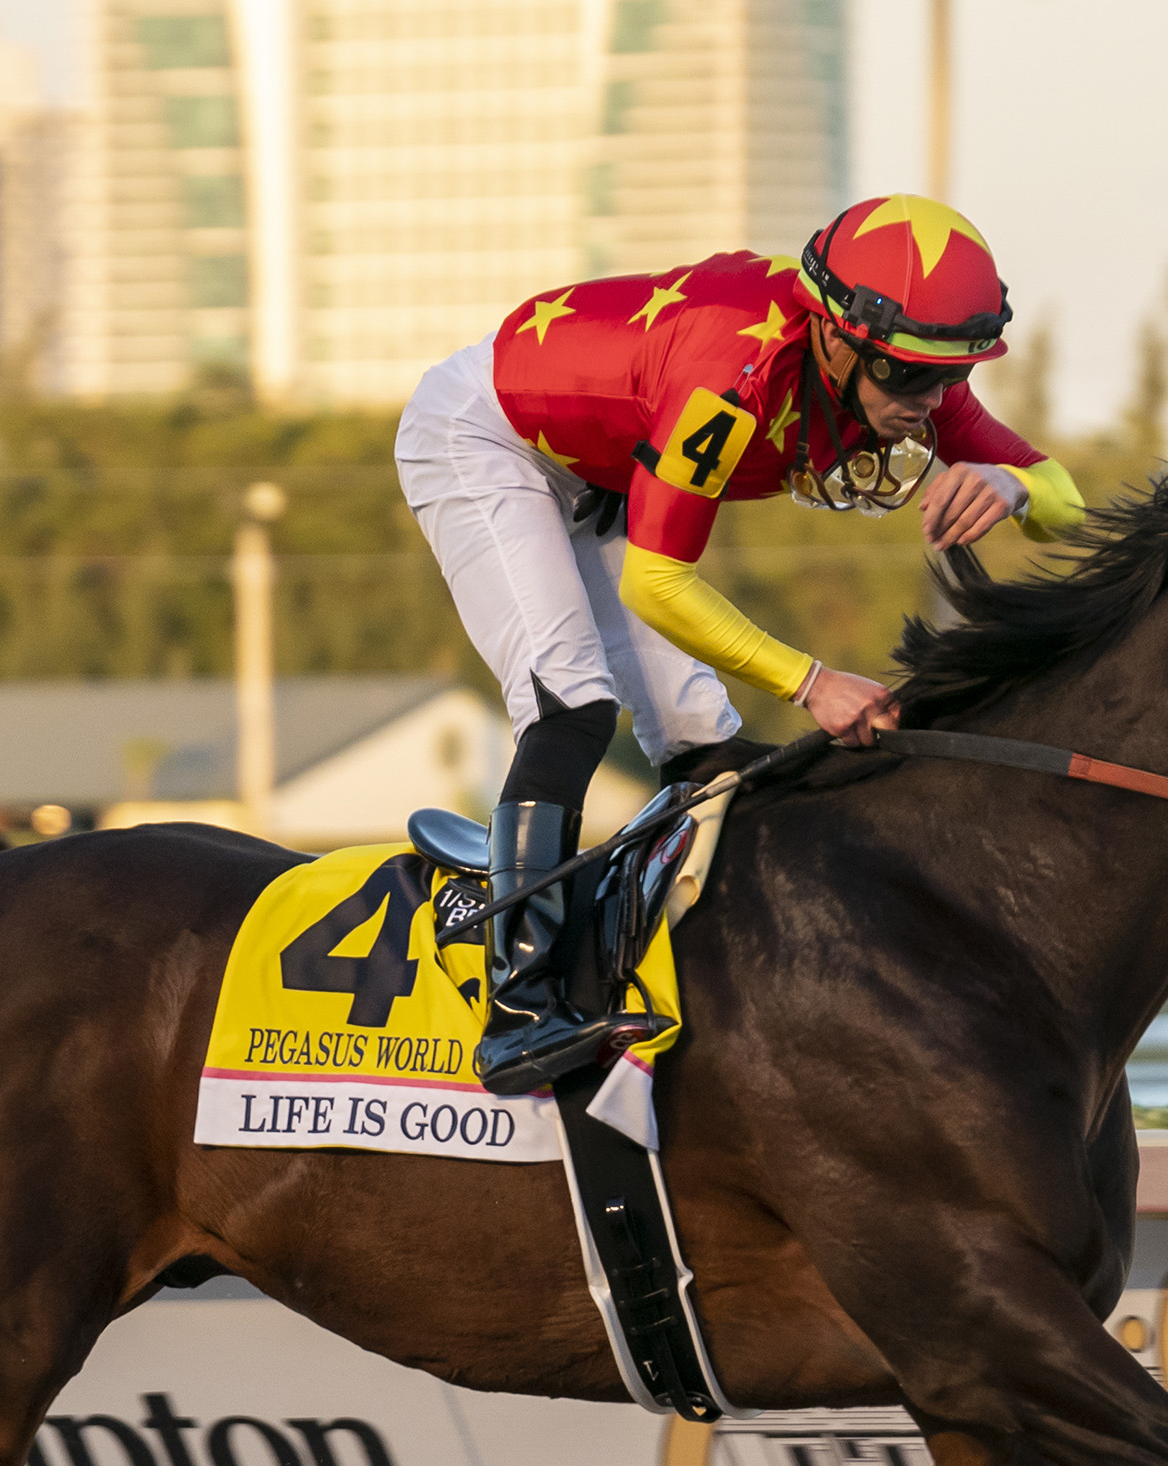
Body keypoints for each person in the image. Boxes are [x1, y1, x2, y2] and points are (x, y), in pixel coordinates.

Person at [395, 194, 1087, 1096]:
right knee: (572, 707)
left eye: (943, 379)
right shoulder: (736, 374)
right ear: (837, 338)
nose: (929, 405)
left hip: (603, 466)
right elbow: (657, 583)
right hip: (488, 440)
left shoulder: (908, 367)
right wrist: (811, 683)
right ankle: (518, 1008)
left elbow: (1065, 496)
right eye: (906, 378)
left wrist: (1012, 483)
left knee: (702, 743)